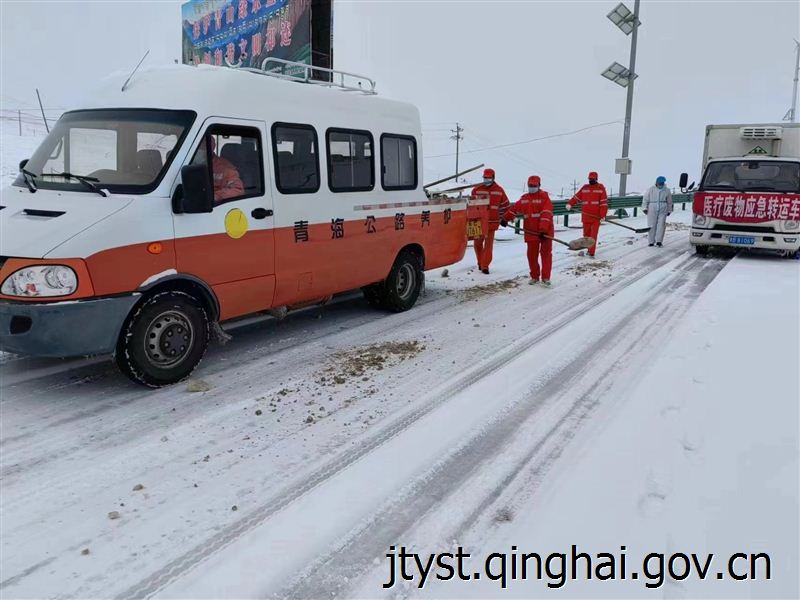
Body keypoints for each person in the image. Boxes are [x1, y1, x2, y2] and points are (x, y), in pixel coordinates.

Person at [502, 175, 554, 286]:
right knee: (531, 255)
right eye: (530, 186)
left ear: (539, 185)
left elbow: (546, 214)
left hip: (545, 232)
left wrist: (543, 229)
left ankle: (546, 277)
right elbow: (514, 209)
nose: (532, 188)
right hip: (531, 232)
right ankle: (535, 276)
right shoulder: (524, 199)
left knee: (545, 254)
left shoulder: (545, 198)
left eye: (534, 186)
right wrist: (505, 218)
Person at [470, 168, 510, 274]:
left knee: (488, 245)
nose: (486, 179)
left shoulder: (499, 190)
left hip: (492, 223)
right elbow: (471, 205)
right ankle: (480, 262)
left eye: (489, 178)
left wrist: (504, 218)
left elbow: (505, 206)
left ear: (493, 178)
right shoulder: (476, 189)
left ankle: (485, 266)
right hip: (478, 223)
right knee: (477, 243)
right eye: (485, 178)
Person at [565, 171, 608, 258]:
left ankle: (591, 252)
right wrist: (570, 204)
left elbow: (603, 204)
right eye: (590, 179)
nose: (591, 180)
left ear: (596, 179)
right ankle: (587, 249)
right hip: (586, 216)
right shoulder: (585, 188)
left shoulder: (600, 188)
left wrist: (603, 215)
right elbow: (577, 197)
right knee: (586, 235)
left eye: (592, 179)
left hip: (596, 217)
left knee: (593, 236)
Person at [209, 137, 244, 202]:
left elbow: (237, 189)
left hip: (216, 206)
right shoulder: (191, 162)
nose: (200, 149)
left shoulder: (225, 167)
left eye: (203, 146)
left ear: (212, 147)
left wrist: (215, 196)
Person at [642, 176, 673, 247]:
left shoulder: (667, 190)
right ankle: (651, 241)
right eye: (660, 183)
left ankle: (659, 241)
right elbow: (645, 199)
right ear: (656, 182)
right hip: (652, 207)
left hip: (663, 207)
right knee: (651, 225)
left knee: (661, 225)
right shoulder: (650, 189)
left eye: (662, 183)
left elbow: (669, 201)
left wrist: (669, 210)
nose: (661, 184)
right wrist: (644, 208)